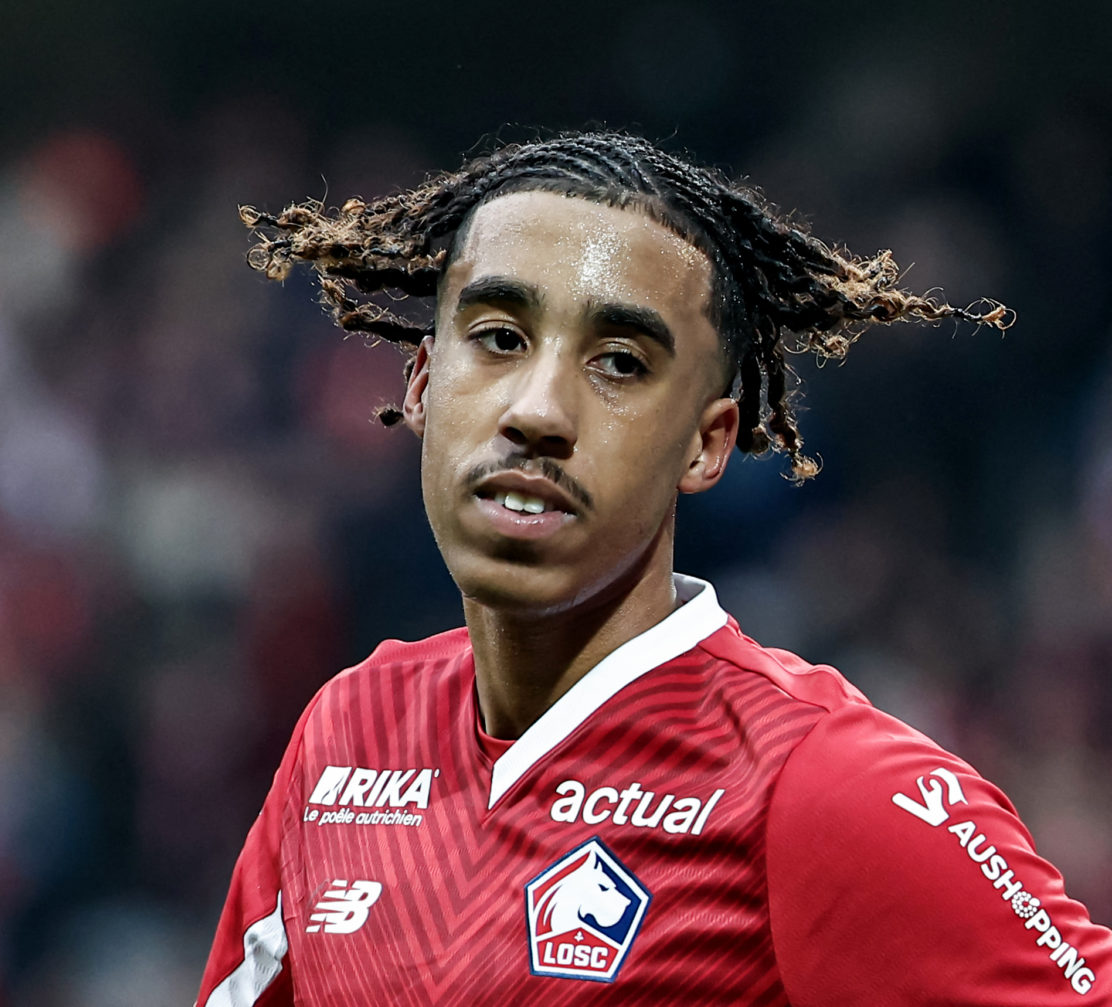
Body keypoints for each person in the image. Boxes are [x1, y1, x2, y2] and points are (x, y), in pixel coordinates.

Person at [194, 131, 1111, 1006]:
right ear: (424, 385)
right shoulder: (347, 734)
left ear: (707, 445)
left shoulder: (822, 785)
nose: (537, 410)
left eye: (619, 363)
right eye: (501, 337)